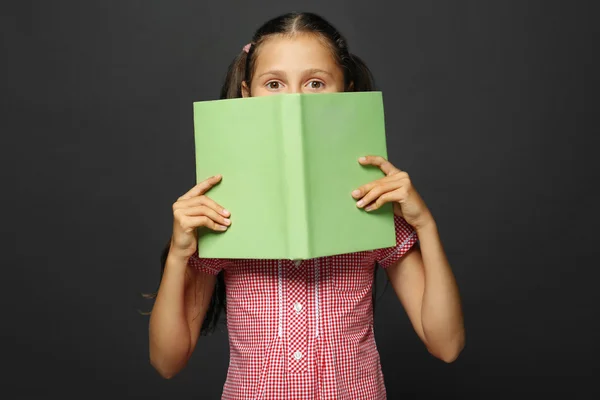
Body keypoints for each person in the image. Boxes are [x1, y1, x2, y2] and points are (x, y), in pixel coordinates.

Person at [147, 11, 464, 399]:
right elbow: (167, 362)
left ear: (345, 91)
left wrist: (426, 226)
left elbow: (446, 345)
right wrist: (180, 254)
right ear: (247, 94)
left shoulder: (372, 201)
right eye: (274, 83)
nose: (294, 100)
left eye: (315, 83)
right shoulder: (221, 207)